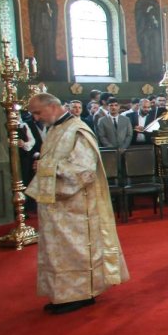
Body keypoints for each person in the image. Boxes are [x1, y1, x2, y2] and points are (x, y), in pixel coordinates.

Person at [24, 93, 129, 314]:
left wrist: (45, 167)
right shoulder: (55, 129)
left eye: (37, 112)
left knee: (77, 251)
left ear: (53, 106)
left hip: (76, 207)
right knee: (59, 253)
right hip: (56, 206)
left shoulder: (78, 130)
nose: (35, 117)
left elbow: (84, 170)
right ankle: (64, 293)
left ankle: (82, 293)